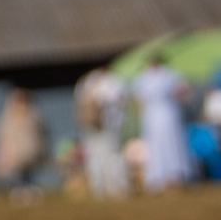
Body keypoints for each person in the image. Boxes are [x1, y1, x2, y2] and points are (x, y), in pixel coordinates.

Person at [131, 61, 193, 191]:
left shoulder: (167, 75)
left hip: (163, 114)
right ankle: (161, 176)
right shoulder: (163, 76)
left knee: (170, 144)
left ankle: (172, 175)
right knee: (161, 146)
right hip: (157, 115)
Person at [73, 68, 129, 199]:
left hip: (92, 125)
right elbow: (119, 99)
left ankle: (100, 187)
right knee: (111, 155)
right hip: (106, 125)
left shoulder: (85, 82)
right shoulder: (110, 82)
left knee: (96, 156)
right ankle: (115, 187)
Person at [0, 86, 46, 194]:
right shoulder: (6, 119)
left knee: (27, 168)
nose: (21, 104)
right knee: (18, 170)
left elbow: (41, 137)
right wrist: (4, 155)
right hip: (14, 156)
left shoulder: (35, 116)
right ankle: (21, 187)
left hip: (32, 155)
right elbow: (2, 139)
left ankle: (28, 187)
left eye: (24, 100)